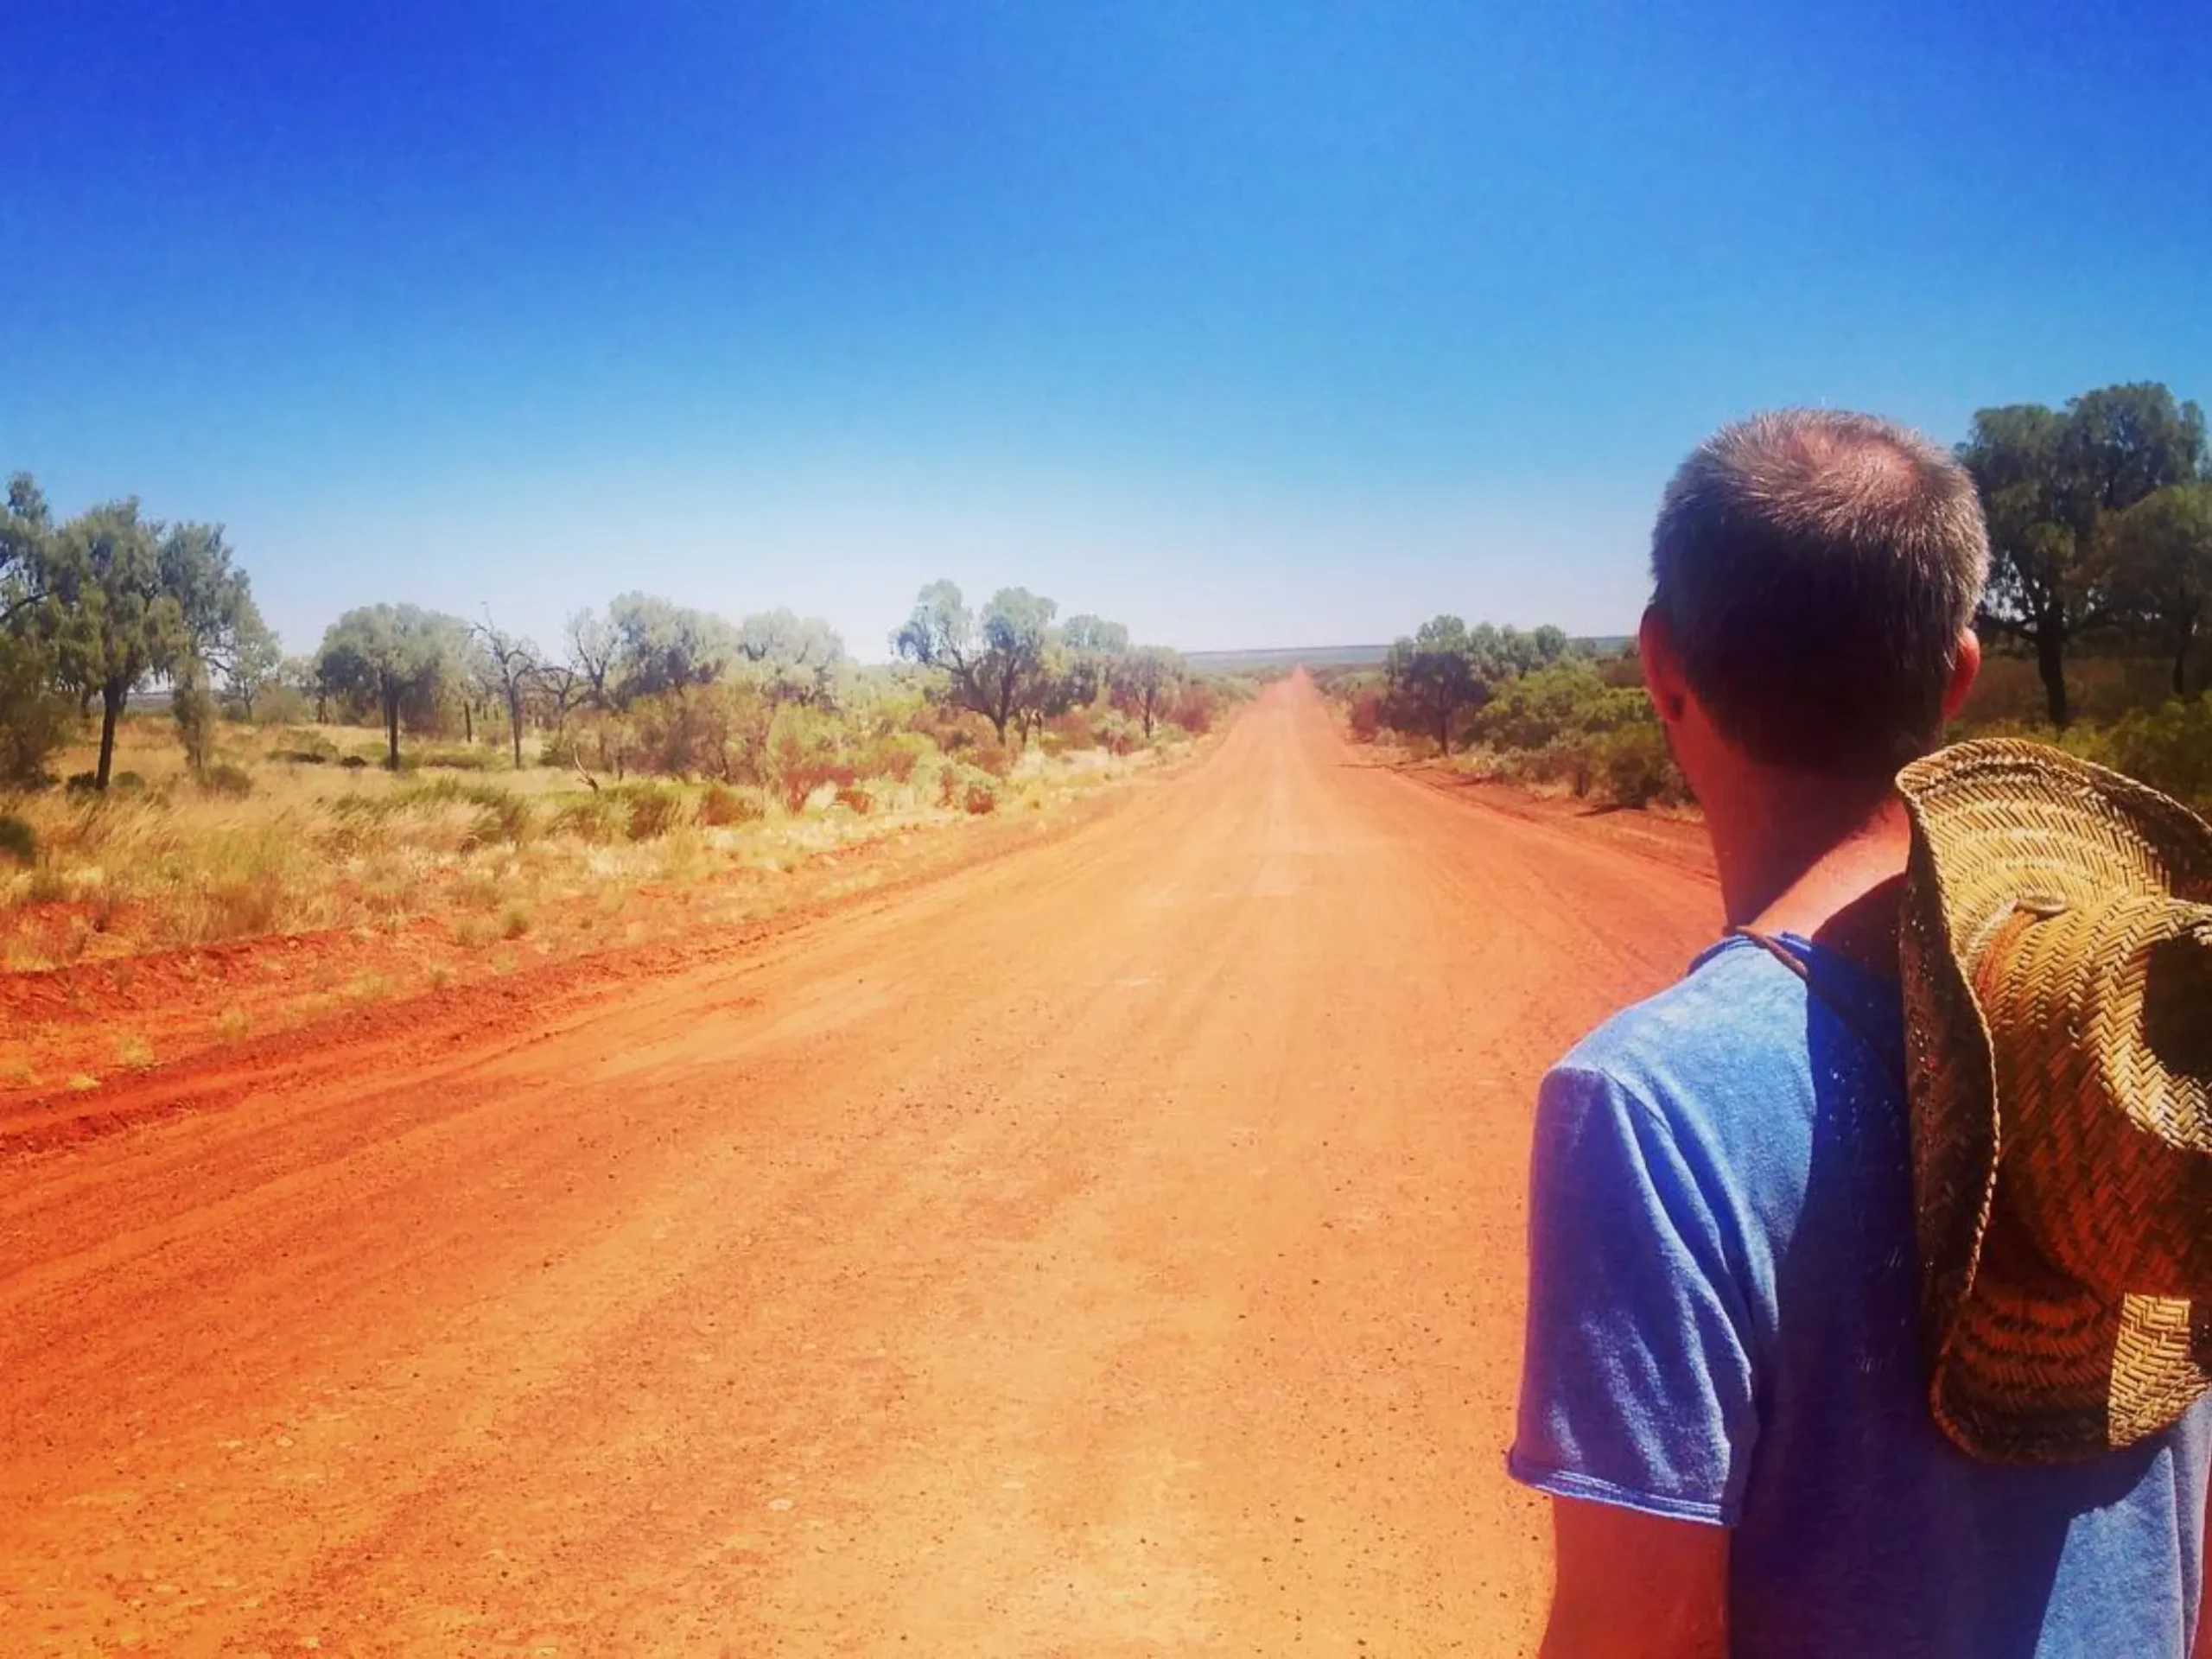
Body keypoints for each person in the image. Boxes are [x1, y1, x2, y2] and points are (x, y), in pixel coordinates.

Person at [1510, 409, 2212, 1657]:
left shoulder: (1655, 1104)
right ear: (1958, 670)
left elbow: (1640, 1633)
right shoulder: (2153, 1024)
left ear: (1660, 666)